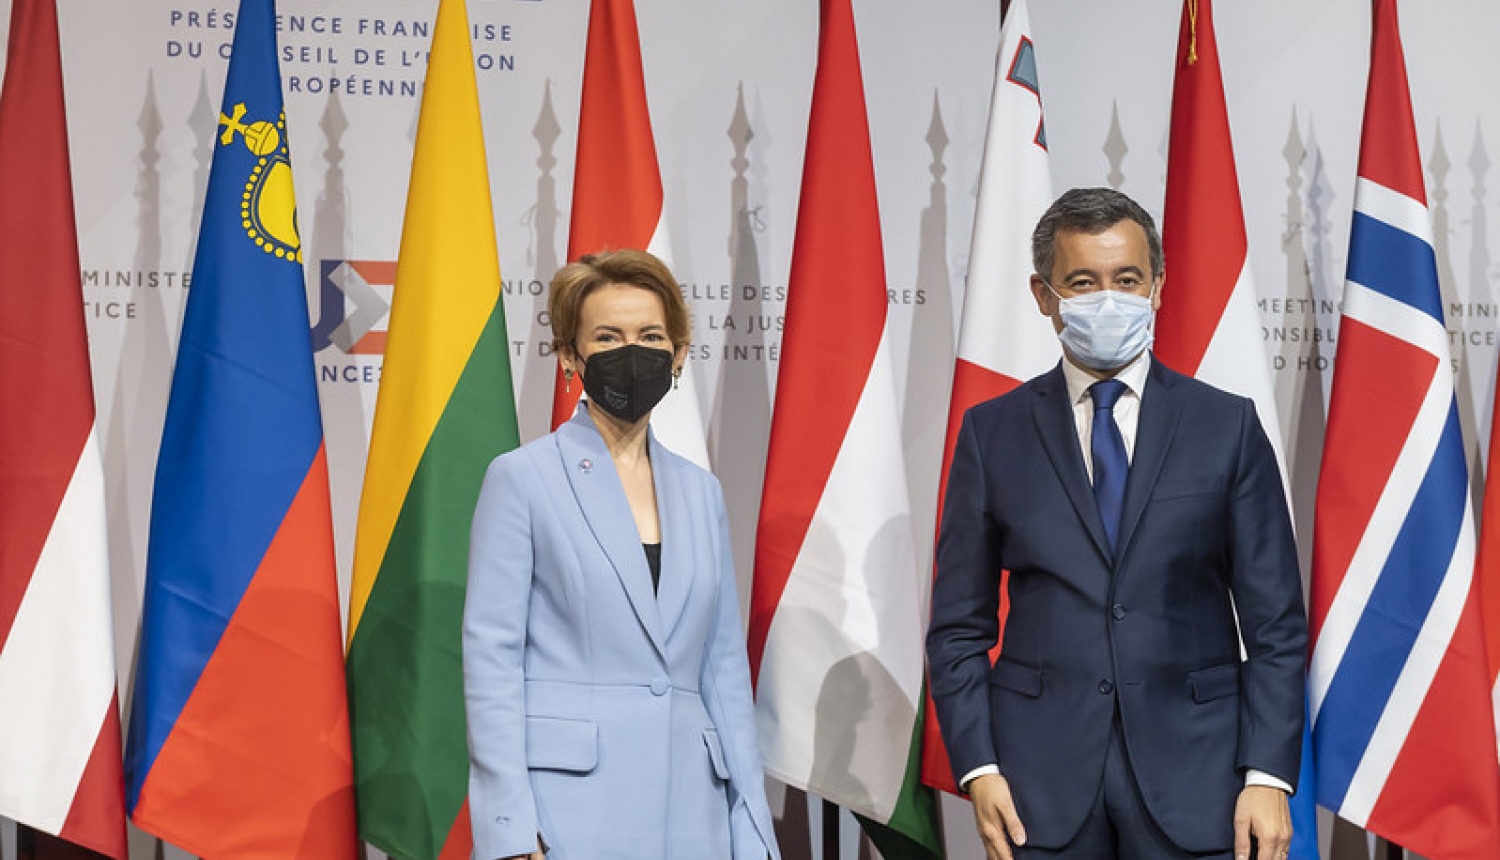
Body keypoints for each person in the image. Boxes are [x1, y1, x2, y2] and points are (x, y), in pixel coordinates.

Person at [926, 188, 1306, 860]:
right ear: (1044, 296)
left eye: (1127, 279)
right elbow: (958, 627)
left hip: (1201, 778)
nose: (1109, 299)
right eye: (1083, 282)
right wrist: (979, 767)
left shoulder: (1227, 427)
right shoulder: (992, 433)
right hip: (1037, 786)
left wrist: (1268, 775)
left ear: (1157, 287)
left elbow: (1276, 625)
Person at [463, 249, 780, 860]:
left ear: (678, 354)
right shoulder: (522, 478)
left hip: (695, 818)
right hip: (565, 817)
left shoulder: (701, 491)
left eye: (651, 337)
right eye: (608, 337)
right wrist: (509, 830)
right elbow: (491, 660)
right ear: (570, 355)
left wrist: (752, 830)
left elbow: (722, 670)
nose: (631, 353)